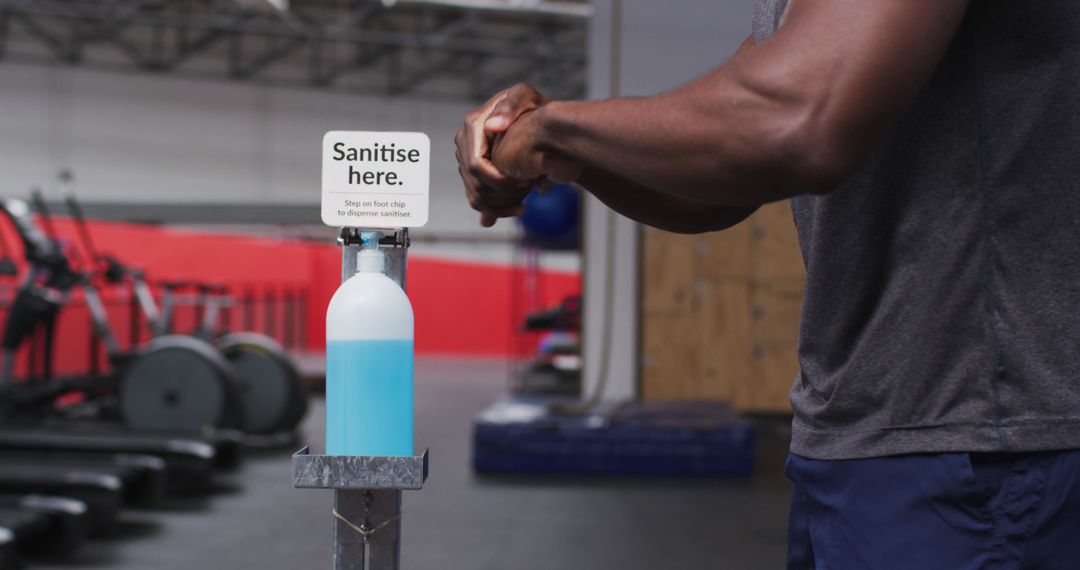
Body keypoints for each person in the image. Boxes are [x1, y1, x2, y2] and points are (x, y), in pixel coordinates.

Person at [454, 0, 1080, 568]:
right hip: (866, 438)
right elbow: (720, 178)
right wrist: (569, 153)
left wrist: (553, 129)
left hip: (976, 446)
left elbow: (789, 120)